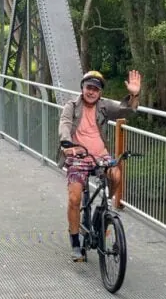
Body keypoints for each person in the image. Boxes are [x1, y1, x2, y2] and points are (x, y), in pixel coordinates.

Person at [58, 69, 141, 261]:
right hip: (78, 156)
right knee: (74, 198)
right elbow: (64, 124)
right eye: (89, 87)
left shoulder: (103, 106)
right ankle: (75, 243)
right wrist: (66, 144)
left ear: (100, 92)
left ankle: (104, 209)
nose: (91, 92)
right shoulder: (71, 106)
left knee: (116, 175)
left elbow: (127, 110)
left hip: (100, 156)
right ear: (82, 88)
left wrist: (134, 94)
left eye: (96, 89)